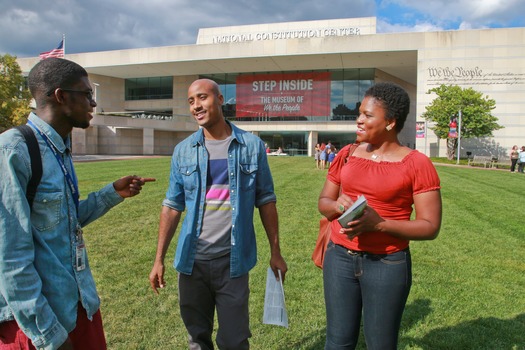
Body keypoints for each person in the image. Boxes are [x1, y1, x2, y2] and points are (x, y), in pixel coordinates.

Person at [0, 58, 155, 350]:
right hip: (37, 326)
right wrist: (50, 337)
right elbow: (9, 259)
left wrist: (112, 193)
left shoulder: (60, 150)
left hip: (78, 305)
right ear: (61, 97)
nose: (93, 103)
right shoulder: (14, 151)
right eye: (86, 94)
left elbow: (61, 222)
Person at [149, 79, 287, 350]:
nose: (196, 106)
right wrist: (158, 259)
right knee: (197, 340)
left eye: (202, 98)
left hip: (232, 262)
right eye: (191, 101)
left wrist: (276, 251)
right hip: (192, 263)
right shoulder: (183, 151)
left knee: (234, 341)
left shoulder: (251, 146)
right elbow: (172, 205)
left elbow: (266, 200)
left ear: (221, 99)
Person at [318, 82, 442, 350]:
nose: (359, 120)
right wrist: (338, 206)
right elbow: (323, 202)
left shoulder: (417, 164)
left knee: (380, 344)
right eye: (359, 113)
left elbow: (430, 226)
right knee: (337, 342)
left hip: (387, 264)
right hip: (339, 258)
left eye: (368, 115)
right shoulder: (348, 153)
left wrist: (380, 224)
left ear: (390, 122)